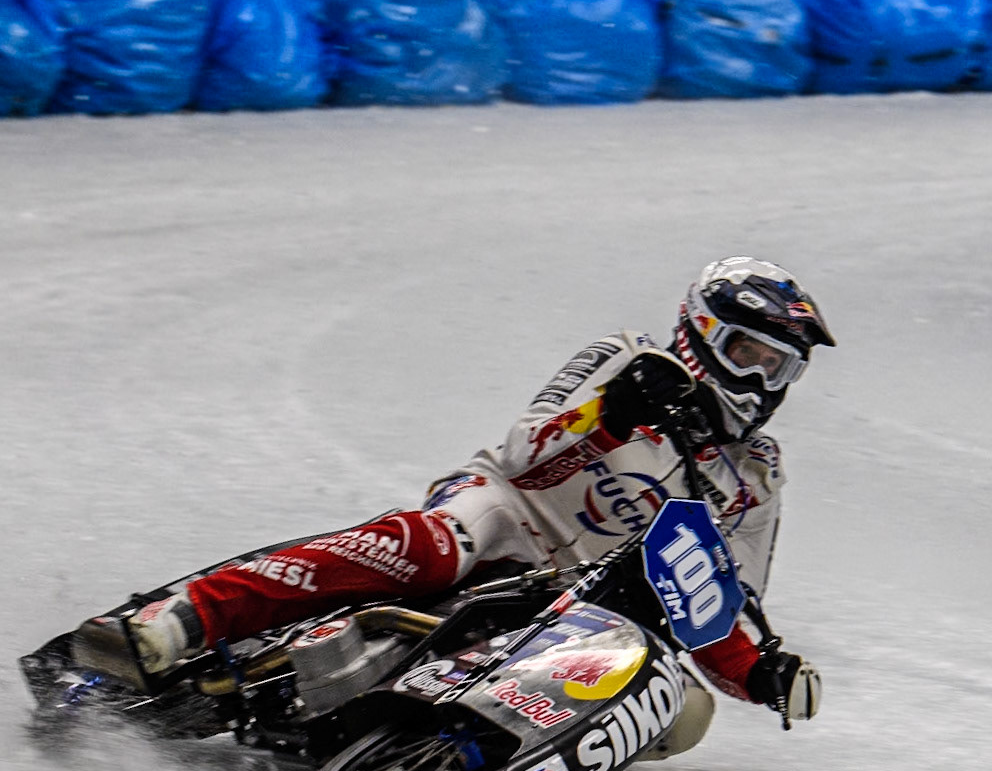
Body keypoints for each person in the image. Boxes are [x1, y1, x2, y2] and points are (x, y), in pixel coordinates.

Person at [74, 258, 835, 728]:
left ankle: (440, 745)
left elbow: (717, 604)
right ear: (699, 331)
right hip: (507, 510)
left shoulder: (755, 475)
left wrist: (759, 675)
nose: (761, 382)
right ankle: (184, 616)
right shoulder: (622, 358)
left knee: (679, 710)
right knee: (433, 548)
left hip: (590, 597)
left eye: (781, 369)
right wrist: (614, 415)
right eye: (749, 354)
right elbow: (525, 451)